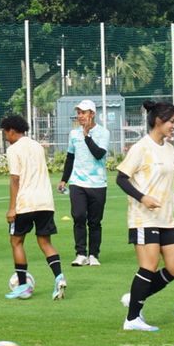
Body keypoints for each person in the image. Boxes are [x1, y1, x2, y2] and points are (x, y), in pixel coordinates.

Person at [116, 100, 174, 332]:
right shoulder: (141, 147)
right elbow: (121, 178)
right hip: (143, 218)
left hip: (166, 218)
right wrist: (143, 198)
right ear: (158, 121)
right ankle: (132, 319)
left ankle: (137, 295)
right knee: (148, 265)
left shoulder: (169, 148)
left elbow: (166, 184)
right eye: (171, 121)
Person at [1, 114, 67, 301]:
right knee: (45, 242)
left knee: (16, 241)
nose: (6, 137)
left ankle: (23, 286)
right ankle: (59, 277)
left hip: (25, 203)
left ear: (12, 131)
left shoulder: (14, 149)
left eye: (6, 133)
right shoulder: (37, 146)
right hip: (45, 201)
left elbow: (15, 179)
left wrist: (12, 208)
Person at [57, 99, 110, 267]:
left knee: (94, 222)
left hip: (98, 184)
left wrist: (87, 136)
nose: (80, 116)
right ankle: (81, 253)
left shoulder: (103, 133)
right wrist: (64, 179)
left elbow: (99, 154)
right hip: (78, 183)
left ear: (92, 114)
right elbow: (70, 157)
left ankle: (94, 255)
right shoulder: (73, 134)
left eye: (83, 112)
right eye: (78, 112)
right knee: (78, 217)